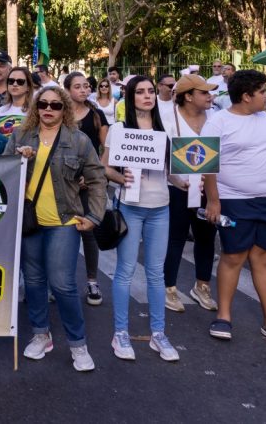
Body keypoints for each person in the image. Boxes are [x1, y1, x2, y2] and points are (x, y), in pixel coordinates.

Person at [5, 86, 106, 371]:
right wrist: (18, 160)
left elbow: (97, 179)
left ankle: (78, 344)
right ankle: (41, 335)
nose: (48, 109)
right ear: (36, 108)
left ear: (65, 109)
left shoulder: (79, 141)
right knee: (34, 282)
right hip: (29, 221)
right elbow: (0, 172)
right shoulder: (19, 136)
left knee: (62, 284)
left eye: (55, 105)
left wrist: (95, 216)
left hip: (64, 221)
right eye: (43, 104)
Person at [202, 69, 266, 347]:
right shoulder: (218, 122)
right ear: (246, 96)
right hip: (234, 201)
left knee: (264, 258)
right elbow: (207, 164)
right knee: (233, 257)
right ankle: (223, 316)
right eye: (262, 92)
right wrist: (214, 200)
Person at [102, 76, 179, 362]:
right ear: (131, 97)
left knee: (156, 273)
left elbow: (171, 170)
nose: (147, 96)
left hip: (161, 207)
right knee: (125, 270)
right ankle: (120, 332)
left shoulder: (165, 129)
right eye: (141, 92)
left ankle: (158, 333)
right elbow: (105, 167)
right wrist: (121, 177)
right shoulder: (119, 129)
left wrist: (184, 183)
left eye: (150, 91)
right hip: (130, 206)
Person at [163, 74, 219, 314]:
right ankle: (169, 288)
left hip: (209, 188)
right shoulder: (167, 119)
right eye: (204, 92)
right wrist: (174, 179)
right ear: (188, 96)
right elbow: (159, 157)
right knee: (175, 239)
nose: (210, 96)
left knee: (206, 237)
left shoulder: (216, 118)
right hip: (177, 189)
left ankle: (202, 286)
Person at [64, 72, 107, 306]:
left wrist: (90, 177)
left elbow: (104, 150)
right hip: (63, 183)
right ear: (68, 89)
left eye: (86, 86)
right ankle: (62, 282)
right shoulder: (60, 112)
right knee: (64, 232)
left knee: (89, 233)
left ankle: (92, 281)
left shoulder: (97, 115)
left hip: (87, 184)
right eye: (77, 86)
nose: (83, 90)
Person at [0, 66, 35, 137]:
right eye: (11, 81)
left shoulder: (34, 111)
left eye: (20, 82)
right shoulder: (1, 111)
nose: (15, 84)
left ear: (28, 87)